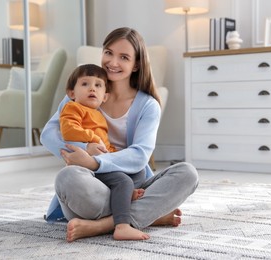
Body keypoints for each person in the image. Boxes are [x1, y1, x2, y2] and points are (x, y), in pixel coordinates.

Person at [40, 27, 199, 242]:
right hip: (93, 187)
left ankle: (101, 225)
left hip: (133, 185)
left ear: (137, 64)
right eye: (108, 53)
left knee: (188, 173)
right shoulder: (87, 89)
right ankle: (145, 216)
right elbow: (49, 134)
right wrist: (84, 150)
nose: (113, 62)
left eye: (123, 57)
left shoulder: (148, 105)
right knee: (66, 178)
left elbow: (140, 155)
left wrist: (95, 161)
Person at [59, 63, 148, 240]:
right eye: (85, 84)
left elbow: (105, 145)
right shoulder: (73, 107)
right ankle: (122, 225)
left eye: (98, 85)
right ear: (71, 93)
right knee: (123, 181)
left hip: (103, 162)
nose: (92, 88)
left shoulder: (98, 113)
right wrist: (92, 138)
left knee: (139, 172)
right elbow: (68, 130)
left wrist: (112, 152)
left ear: (105, 96)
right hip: (87, 167)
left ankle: (123, 198)